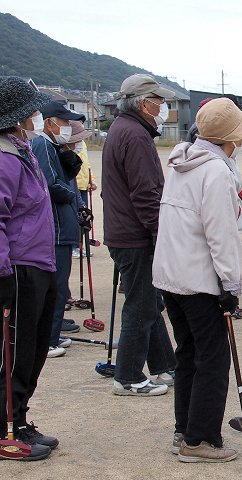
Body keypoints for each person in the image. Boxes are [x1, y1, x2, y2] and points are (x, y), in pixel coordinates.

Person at [153, 98, 242, 463]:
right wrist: (231, 285)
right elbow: (221, 234)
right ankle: (200, 439)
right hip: (198, 279)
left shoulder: (181, 162)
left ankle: (185, 430)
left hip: (170, 275)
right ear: (230, 137)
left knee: (189, 354)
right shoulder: (215, 172)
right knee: (212, 359)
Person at [102, 73, 176, 396]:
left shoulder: (124, 129)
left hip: (126, 232)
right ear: (145, 104)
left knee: (149, 302)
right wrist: (161, 234)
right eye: (159, 101)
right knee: (141, 305)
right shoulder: (134, 135)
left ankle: (165, 365)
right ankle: (128, 376)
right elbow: (146, 194)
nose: (163, 107)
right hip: (135, 235)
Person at [0, 76, 57, 461]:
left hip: (38, 262)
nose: (37, 115)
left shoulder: (22, 151)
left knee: (33, 350)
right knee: (15, 352)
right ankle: (5, 427)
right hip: (18, 267)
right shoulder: (5, 157)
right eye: (32, 110)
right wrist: (3, 274)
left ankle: (18, 418)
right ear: (17, 116)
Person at [31, 101, 90, 357]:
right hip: (56, 228)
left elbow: (65, 178)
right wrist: (72, 197)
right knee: (55, 287)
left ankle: (52, 335)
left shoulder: (52, 145)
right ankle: (48, 340)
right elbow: (49, 184)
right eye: (64, 122)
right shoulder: (43, 144)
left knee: (58, 286)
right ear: (50, 122)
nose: (67, 127)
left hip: (63, 226)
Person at [68, 121, 94, 259]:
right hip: (74, 185)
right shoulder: (68, 146)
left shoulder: (82, 144)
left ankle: (80, 245)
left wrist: (91, 179)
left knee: (84, 216)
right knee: (75, 217)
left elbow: (87, 165)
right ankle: (74, 246)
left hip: (84, 184)